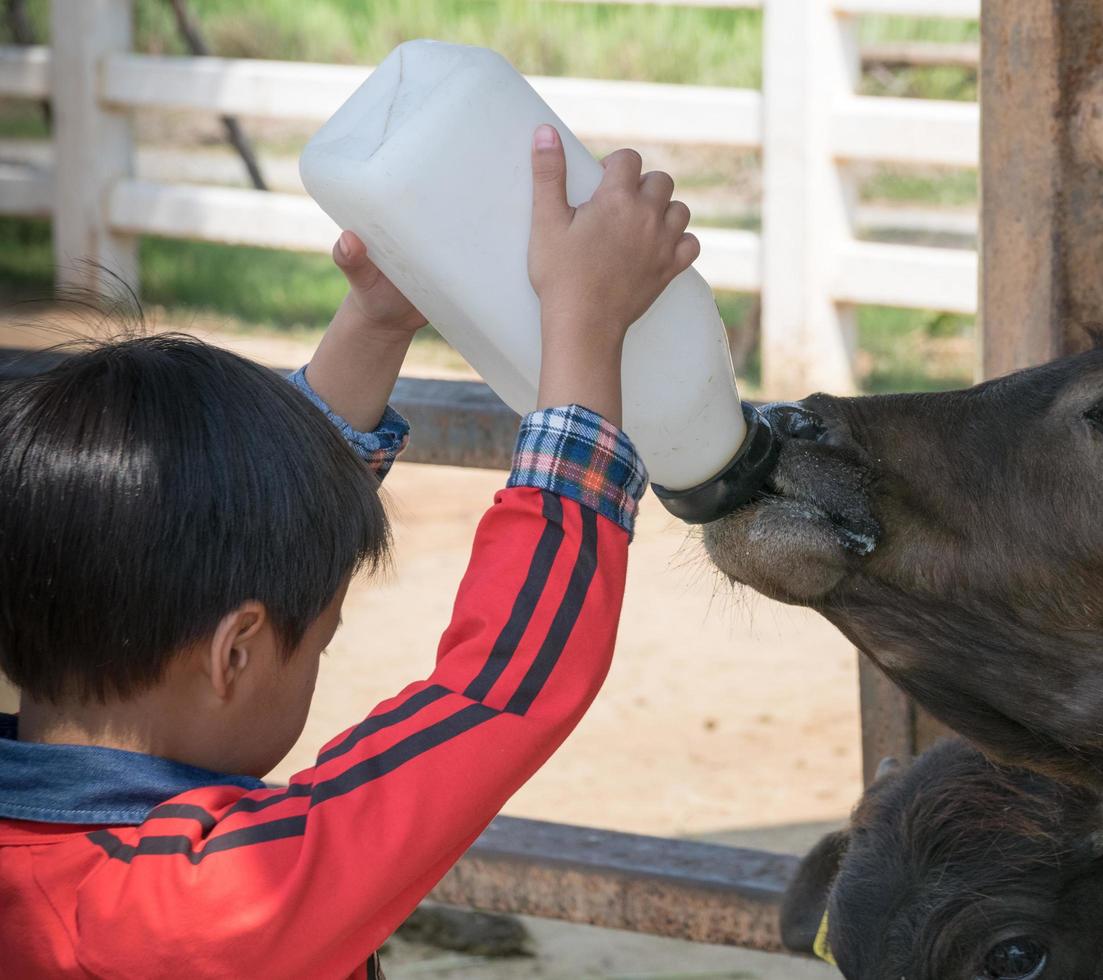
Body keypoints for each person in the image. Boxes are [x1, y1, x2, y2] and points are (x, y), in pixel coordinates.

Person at [0, 125, 697, 979]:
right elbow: (498, 692)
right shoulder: (204, 911)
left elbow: (231, 528)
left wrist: (376, 320)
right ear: (235, 653)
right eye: (318, 641)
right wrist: (586, 325)